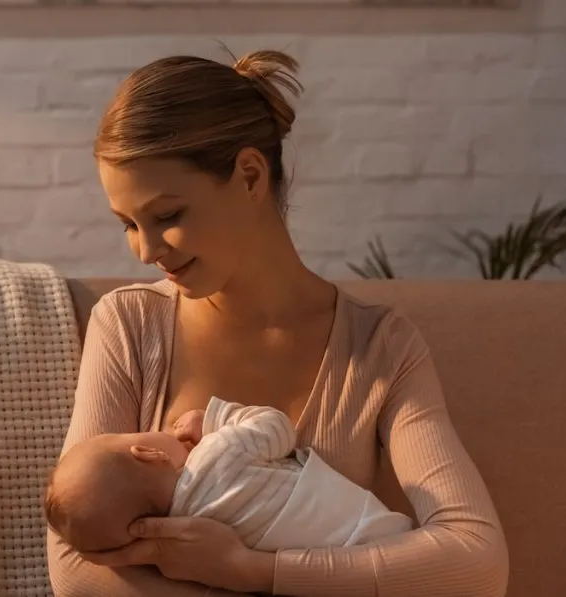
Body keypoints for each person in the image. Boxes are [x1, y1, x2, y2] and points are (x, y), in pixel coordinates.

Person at [45, 47, 509, 597]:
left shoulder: (382, 349)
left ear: (248, 175)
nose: (145, 251)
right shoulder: (128, 324)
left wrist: (251, 571)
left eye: (167, 216)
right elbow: (77, 570)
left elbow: (476, 563)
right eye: (128, 224)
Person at [44, 395, 414, 555]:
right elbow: (276, 427)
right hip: (376, 533)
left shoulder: (184, 535)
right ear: (149, 453)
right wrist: (213, 419)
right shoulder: (218, 454)